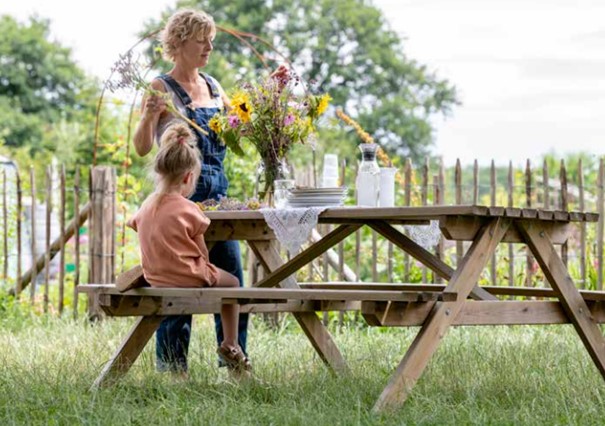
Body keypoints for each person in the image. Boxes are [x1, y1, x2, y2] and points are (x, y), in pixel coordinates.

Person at [133, 8, 250, 374]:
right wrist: (150, 116)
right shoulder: (160, 87)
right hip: (181, 202)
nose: (209, 47)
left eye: (211, 40)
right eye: (202, 40)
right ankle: (172, 372)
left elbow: (237, 134)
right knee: (178, 287)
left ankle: (232, 363)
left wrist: (249, 121)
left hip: (220, 201)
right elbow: (140, 147)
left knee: (233, 281)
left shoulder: (214, 87)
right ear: (180, 42)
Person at [128, 122, 251, 375]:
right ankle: (231, 344)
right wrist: (205, 268)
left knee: (219, 280)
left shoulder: (146, 205)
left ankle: (175, 366)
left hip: (157, 278)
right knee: (233, 283)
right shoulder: (189, 209)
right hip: (188, 276)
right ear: (188, 177)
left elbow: (134, 224)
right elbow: (202, 253)